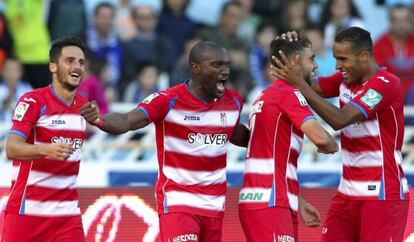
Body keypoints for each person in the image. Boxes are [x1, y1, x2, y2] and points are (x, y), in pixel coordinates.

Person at [80, 41, 250, 242]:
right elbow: (127, 120)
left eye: (227, 65)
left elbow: (238, 134)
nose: (225, 71)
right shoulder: (168, 100)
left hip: (215, 206)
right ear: (196, 68)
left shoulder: (234, 102)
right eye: (217, 65)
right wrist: (100, 119)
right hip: (178, 203)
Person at [272, 27, 409, 242]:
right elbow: (313, 88)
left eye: (343, 59)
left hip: (382, 194)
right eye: (336, 58)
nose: (337, 66)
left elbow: (340, 119)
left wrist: (299, 83)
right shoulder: (346, 80)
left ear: (363, 56)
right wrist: (287, 54)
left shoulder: (386, 84)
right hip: (347, 193)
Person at [239, 37, 338, 242]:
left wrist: (298, 200)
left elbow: (271, 153)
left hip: (269, 198)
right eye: (311, 59)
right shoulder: (288, 94)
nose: (316, 64)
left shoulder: (265, 95)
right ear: (294, 62)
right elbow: (323, 140)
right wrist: (331, 144)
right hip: (271, 201)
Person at [1, 36, 88, 241]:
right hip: (27, 212)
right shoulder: (33, 101)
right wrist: (46, 149)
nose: (77, 66)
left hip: (67, 217)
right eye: (69, 61)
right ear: (53, 67)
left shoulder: (84, 107)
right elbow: (11, 148)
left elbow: (113, 124)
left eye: (81, 62)